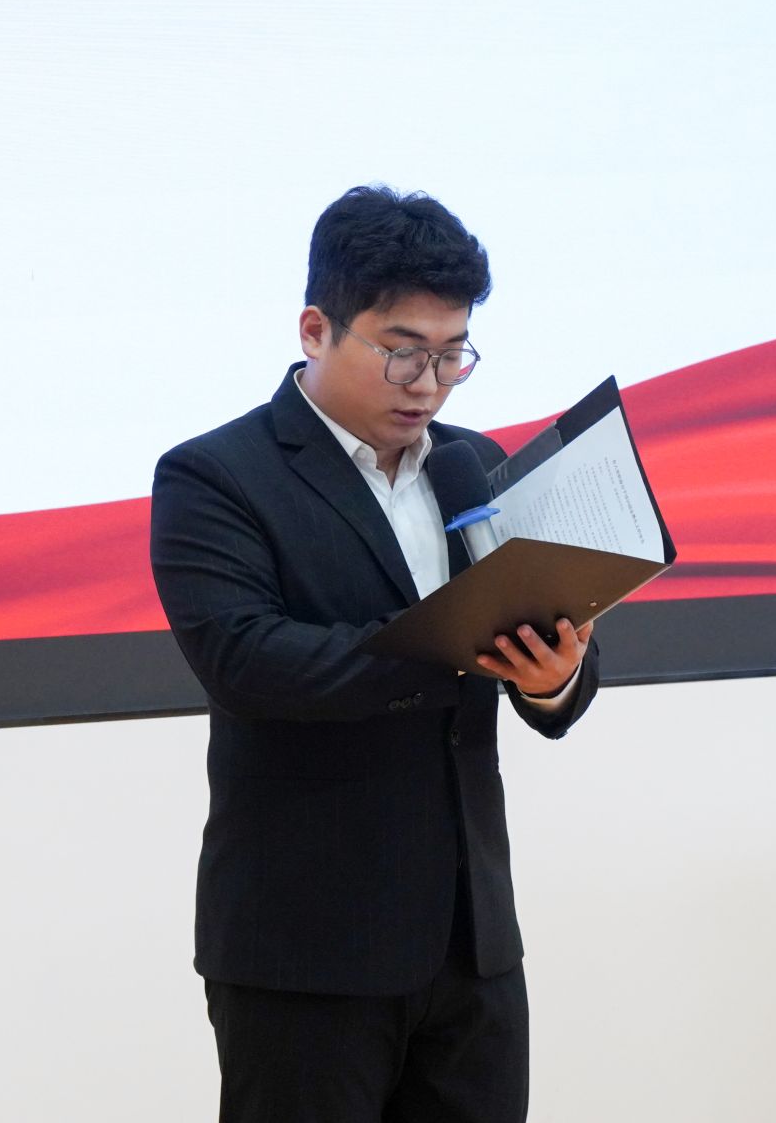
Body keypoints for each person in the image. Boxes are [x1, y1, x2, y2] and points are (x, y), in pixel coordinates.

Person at [149, 184, 600, 1123]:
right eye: (402, 350)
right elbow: (249, 660)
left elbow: (549, 662)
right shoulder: (215, 476)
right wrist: (460, 641)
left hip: (473, 948)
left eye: (452, 353)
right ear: (316, 328)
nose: (428, 383)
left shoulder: (471, 464)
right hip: (304, 957)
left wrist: (554, 677)